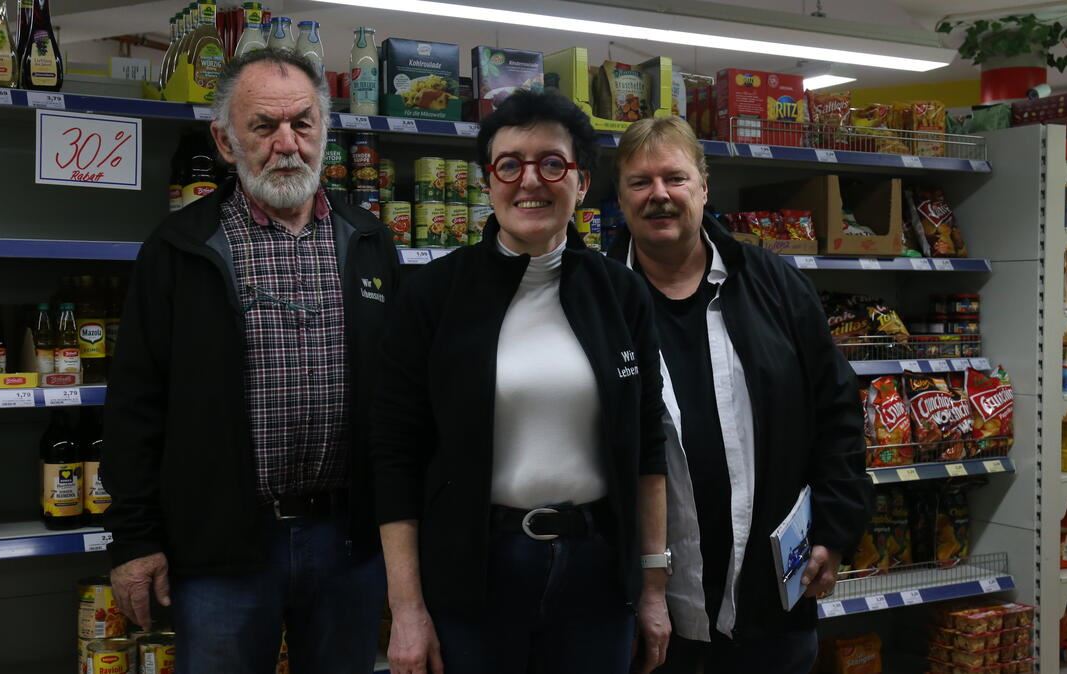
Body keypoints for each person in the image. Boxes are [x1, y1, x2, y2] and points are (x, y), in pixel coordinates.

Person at [101, 49, 400, 674]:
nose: (287, 144)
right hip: (222, 549)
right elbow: (135, 404)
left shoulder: (369, 240)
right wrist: (134, 538)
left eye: (303, 123)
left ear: (326, 130)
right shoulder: (180, 247)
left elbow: (402, 397)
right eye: (264, 127)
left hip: (349, 542)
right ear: (226, 140)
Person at [370, 90, 671, 674]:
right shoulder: (433, 296)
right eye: (509, 164)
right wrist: (406, 608)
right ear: (489, 182)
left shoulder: (621, 294)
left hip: (597, 574)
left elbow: (647, 448)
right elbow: (394, 457)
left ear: (581, 183)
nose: (529, 180)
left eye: (552, 163)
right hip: (476, 572)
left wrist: (653, 587)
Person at [609, 116, 872, 673]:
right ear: (620, 195)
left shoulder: (773, 283)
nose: (659, 194)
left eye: (675, 178)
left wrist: (836, 527)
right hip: (646, 614)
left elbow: (838, 409)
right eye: (640, 181)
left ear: (704, 187)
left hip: (772, 603)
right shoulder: (597, 299)